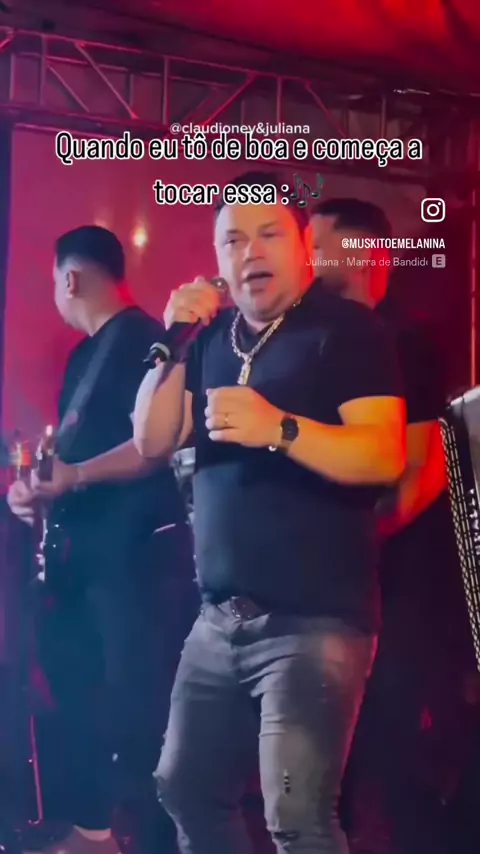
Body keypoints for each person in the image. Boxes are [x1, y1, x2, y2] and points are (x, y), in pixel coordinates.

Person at [133, 170, 407, 854]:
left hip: (315, 619)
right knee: (185, 787)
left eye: (268, 234)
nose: (250, 251)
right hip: (219, 619)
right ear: (218, 259)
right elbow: (151, 439)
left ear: (303, 244)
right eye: (233, 240)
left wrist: (279, 428)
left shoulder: (347, 331)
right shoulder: (210, 339)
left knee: (297, 814)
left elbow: (383, 455)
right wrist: (173, 344)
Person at [7, 226, 197, 854]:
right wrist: (35, 492)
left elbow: (157, 445)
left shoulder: (148, 340)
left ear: (69, 278)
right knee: (80, 699)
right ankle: (96, 831)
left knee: (141, 718)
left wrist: (77, 475)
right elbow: (68, 461)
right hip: (84, 569)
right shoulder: (81, 358)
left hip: (136, 565)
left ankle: (156, 841)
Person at [310, 198, 475, 854]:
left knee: (398, 741)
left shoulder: (409, 340)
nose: (308, 259)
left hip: (401, 580)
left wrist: (352, 545)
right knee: (342, 747)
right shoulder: (329, 338)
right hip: (346, 581)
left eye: (319, 245)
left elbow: (423, 474)